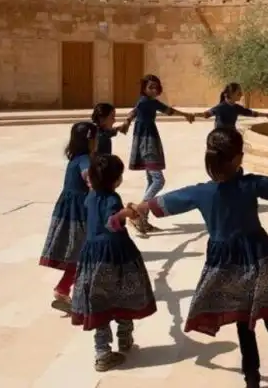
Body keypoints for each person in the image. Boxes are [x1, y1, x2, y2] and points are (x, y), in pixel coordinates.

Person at [111, 127, 268, 388]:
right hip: (261, 258)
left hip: (226, 266)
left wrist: (133, 210)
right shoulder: (252, 184)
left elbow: (163, 203)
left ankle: (252, 381)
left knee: (243, 323)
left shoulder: (201, 192)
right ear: (238, 158)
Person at [71, 154, 157, 372]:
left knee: (101, 302)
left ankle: (102, 351)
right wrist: (126, 213)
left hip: (92, 255)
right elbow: (111, 222)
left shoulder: (90, 197)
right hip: (115, 255)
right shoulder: (112, 198)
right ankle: (124, 338)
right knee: (123, 295)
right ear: (115, 179)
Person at [119, 74, 195, 236]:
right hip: (146, 143)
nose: (153, 90)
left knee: (151, 180)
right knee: (159, 180)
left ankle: (143, 220)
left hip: (149, 139)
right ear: (144, 88)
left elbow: (167, 110)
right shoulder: (145, 102)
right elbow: (135, 112)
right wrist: (126, 122)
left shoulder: (150, 102)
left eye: (155, 87)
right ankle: (138, 212)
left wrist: (186, 115)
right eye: (150, 87)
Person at [39, 121, 96, 314]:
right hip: (79, 211)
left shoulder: (76, 158)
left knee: (80, 253)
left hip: (68, 208)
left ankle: (65, 289)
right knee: (83, 253)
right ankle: (67, 290)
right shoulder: (84, 160)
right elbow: (89, 178)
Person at [197, 82, 267, 129]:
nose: (241, 94)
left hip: (231, 135)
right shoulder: (221, 107)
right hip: (220, 136)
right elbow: (206, 114)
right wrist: (192, 115)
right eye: (239, 93)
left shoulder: (236, 108)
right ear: (231, 94)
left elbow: (252, 113)